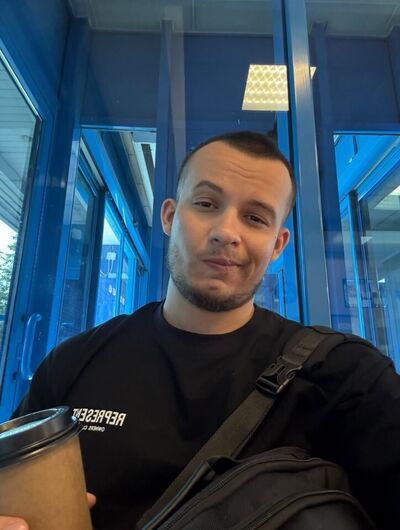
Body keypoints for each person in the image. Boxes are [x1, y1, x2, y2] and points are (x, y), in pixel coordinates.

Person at [1, 131, 400, 530]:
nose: (226, 232)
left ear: (278, 245)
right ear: (169, 216)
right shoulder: (73, 364)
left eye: (255, 218)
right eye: (206, 204)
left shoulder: (347, 378)